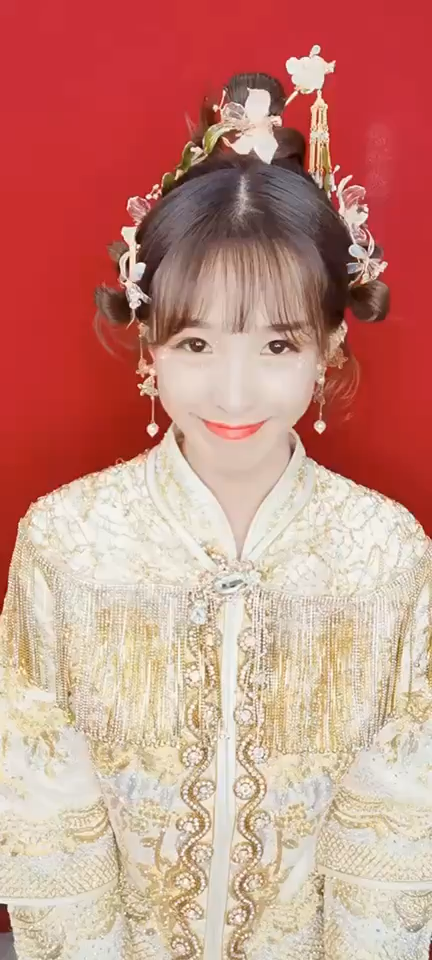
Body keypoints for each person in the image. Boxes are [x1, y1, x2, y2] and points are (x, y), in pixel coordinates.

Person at [0, 44, 431, 960]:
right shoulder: (69, 543)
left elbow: (400, 829)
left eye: (277, 346)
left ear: (329, 345)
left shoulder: (386, 555)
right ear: (148, 343)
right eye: (196, 344)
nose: (234, 393)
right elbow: (40, 810)